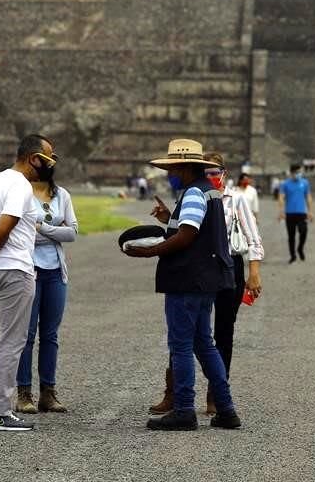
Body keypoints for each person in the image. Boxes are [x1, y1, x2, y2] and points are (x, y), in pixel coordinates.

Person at [122, 138, 241, 431]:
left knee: (181, 345)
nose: (169, 172)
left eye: (173, 167)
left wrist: (148, 251)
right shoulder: (210, 192)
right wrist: (169, 220)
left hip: (187, 280)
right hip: (206, 280)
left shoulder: (192, 194)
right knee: (205, 344)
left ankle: (185, 409)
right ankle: (226, 409)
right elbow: (191, 231)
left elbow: (187, 235)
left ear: (184, 167)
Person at [149, 153, 265, 416]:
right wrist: (169, 219)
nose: (212, 176)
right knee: (196, 337)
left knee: (215, 334)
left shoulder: (231, 199)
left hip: (222, 268)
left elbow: (250, 238)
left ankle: (203, 400)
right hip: (204, 269)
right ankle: (188, 396)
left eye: (216, 171)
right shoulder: (198, 195)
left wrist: (253, 272)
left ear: (224, 172)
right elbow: (186, 230)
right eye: (208, 171)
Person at [0, 134, 56, 431]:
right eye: (49, 159)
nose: (51, 165)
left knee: (7, 339)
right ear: (34, 158)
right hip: (14, 270)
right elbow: (4, 228)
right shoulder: (19, 184)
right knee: (12, 342)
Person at [14, 157, 78, 414]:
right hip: (29, 270)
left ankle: (48, 393)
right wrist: (54, 230)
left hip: (55, 272)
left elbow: (72, 232)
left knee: (50, 335)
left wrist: (41, 227)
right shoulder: (21, 193)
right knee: (26, 335)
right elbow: (21, 231)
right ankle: (24, 393)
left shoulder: (62, 195)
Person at [278, 163, 313, 263]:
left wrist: (310, 211)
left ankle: (300, 248)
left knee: (304, 231)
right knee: (291, 236)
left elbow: (308, 197)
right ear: (292, 173)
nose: (299, 174)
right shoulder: (285, 184)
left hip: (302, 212)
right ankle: (293, 255)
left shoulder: (305, 183)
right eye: (297, 172)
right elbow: (281, 198)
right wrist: (281, 212)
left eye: (300, 172)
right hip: (290, 213)